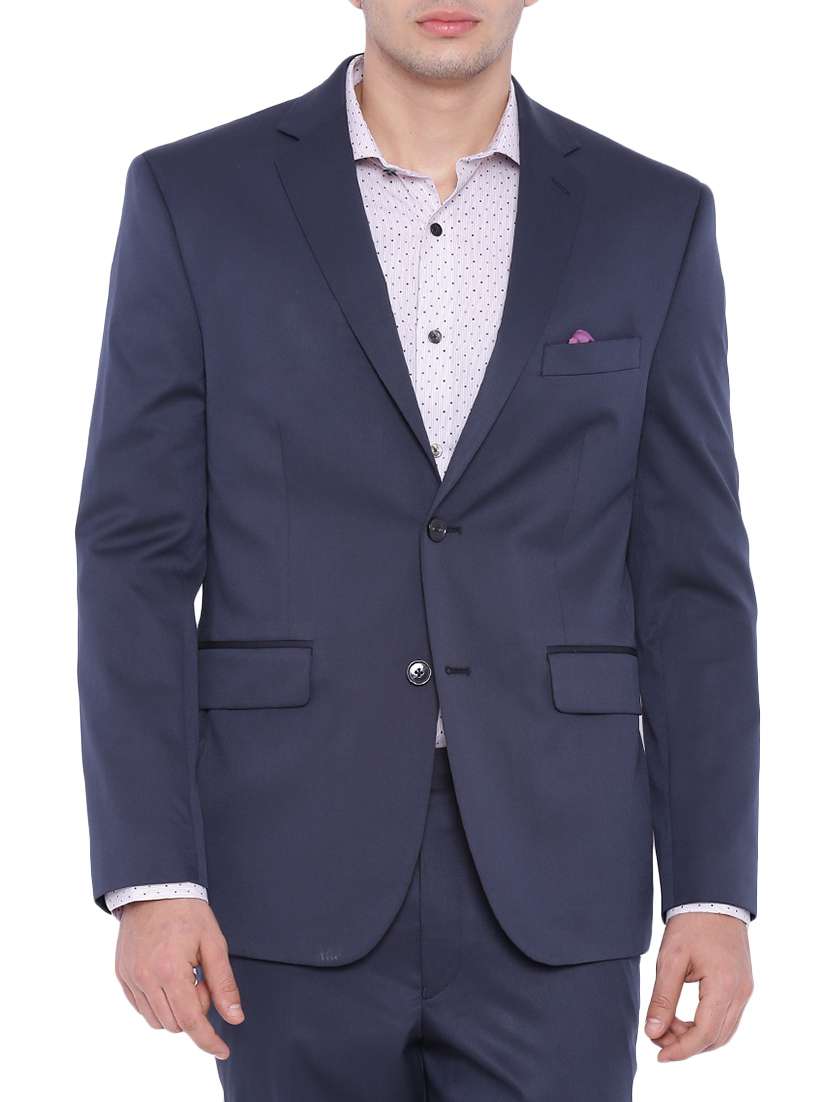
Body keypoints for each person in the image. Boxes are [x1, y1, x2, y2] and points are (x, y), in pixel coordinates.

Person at [75, 2, 759, 1098]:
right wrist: (152, 872)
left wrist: (710, 890)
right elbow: (135, 556)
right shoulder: (195, 199)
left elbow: (692, 581)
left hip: (559, 870)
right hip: (285, 859)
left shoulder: (653, 218)